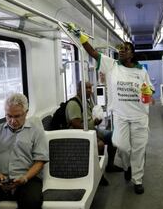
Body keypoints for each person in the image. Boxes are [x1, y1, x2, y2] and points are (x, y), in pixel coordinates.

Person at [65, 26, 153, 195]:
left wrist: (148, 94)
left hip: (140, 116)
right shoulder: (112, 65)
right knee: (122, 146)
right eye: (120, 49)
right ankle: (127, 166)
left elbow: (148, 92)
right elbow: (92, 53)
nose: (121, 51)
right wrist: (82, 37)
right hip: (120, 115)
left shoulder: (141, 71)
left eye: (125, 49)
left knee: (139, 149)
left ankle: (137, 179)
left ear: (132, 54)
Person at [66, 81, 119, 173]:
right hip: (80, 133)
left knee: (113, 136)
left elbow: (92, 118)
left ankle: (110, 165)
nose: (89, 90)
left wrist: (97, 121)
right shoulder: (74, 104)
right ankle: (98, 172)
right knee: (100, 144)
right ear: (79, 90)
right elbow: (75, 124)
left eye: (90, 88)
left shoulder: (87, 102)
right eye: (86, 88)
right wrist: (94, 130)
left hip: (91, 130)